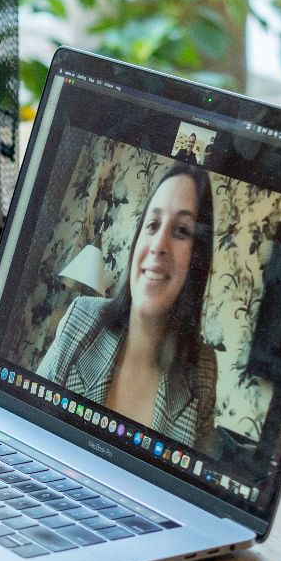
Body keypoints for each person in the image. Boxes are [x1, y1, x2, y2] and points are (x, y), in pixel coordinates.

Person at [38, 161, 220, 453]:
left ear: (197, 259)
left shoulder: (203, 369)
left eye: (182, 231)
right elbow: (25, 423)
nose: (159, 244)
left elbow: (191, 487)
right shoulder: (80, 319)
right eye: (152, 224)